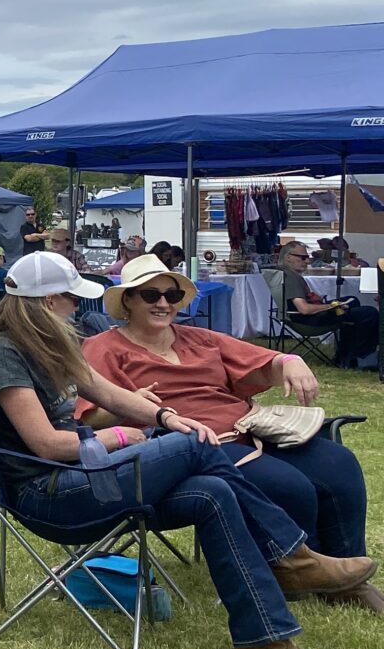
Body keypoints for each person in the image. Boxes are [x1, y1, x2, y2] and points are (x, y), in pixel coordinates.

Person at [0, 252, 369, 649]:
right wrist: (119, 435)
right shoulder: (2, 354)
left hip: (88, 478)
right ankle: (291, 556)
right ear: (50, 301)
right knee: (195, 443)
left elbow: (110, 394)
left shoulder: (49, 345)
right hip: (49, 496)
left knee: (213, 492)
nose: (76, 307)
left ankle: (264, 640)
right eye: (72, 299)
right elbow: (46, 445)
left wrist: (164, 417)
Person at [82, 252, 381, 616]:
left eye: (172, 296)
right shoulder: (103, 347)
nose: (163, 303)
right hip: (186, 446)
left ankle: (346, 582)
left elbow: (261, 361)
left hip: (248, 429)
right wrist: (131, 406)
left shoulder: (199, 338)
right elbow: (89, 416)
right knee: (291, 486)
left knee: (339, 464)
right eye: (150, 295)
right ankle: (295, 571)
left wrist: (291, 360)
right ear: (127, 300)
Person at [276, 240, 380, 368]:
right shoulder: (291, 278)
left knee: (353, 301)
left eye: (307, 257)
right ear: (288, 257)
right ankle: (357, 357)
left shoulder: (283, 273)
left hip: (297, 316)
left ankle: (345, 354)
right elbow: (304, 309)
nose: (307, 261)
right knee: (369, 313)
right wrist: (332, 306)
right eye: (303, 258)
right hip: (308, 320)